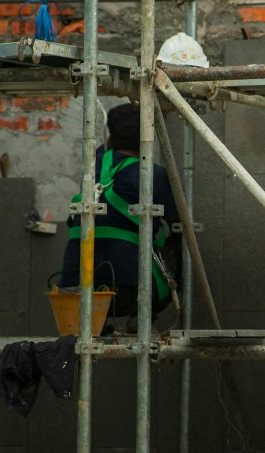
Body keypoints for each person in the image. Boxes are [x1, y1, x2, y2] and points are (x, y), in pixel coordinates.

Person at [58, 102, 181, 328]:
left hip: (74, 288)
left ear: (111, 137)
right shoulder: (151, 174)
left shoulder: (92, 165)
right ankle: (144, 319)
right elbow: (176, 223)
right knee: (176, 244)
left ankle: (100, 326)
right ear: (146, 140)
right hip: (131, 290)